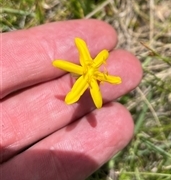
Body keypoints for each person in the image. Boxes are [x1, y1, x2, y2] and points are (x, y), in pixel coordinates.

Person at [0, 19, 143, 180]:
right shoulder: (84, 70)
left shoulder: (91, 72)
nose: (92, 71)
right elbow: (76, 53)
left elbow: (99, 85)